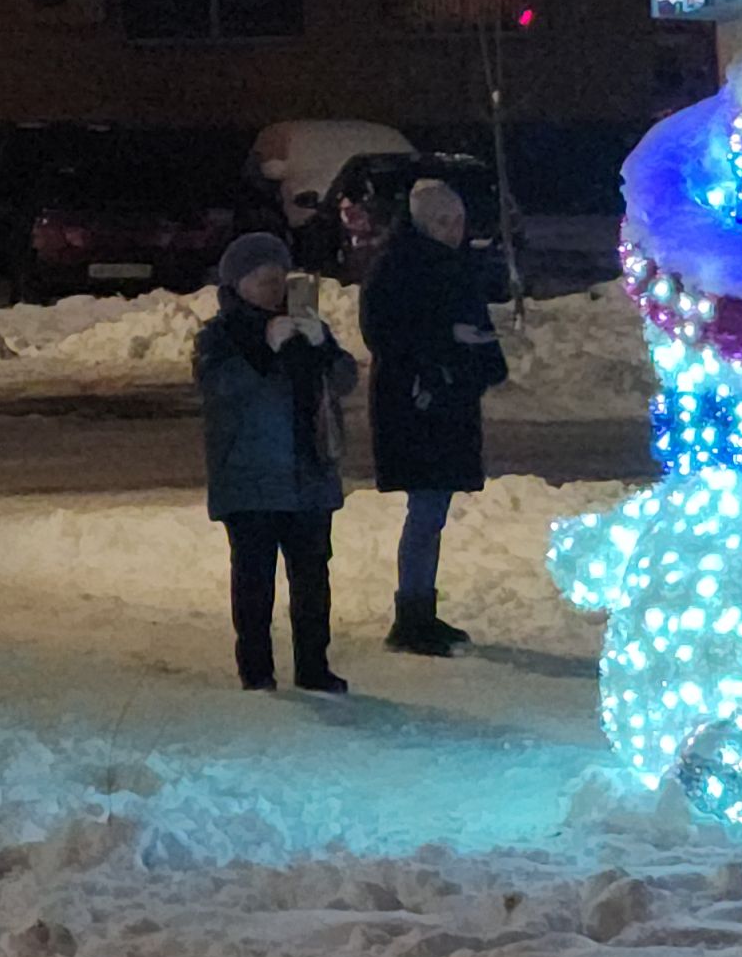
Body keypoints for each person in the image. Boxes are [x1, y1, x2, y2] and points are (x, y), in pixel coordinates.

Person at [195, 232, 358, 694]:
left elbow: (344, 379)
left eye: (278, 279)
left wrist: (322, 345)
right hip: (250, 479)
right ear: (238, 284)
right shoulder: (221, 336)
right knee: (254, 581)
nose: (273, 289)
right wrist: (264, 349)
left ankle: (313, 666)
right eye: (262, 280)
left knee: (312, 579)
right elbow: (218, 390)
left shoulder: (305, 323)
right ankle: (257, 671)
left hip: (308, 475)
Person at [363, 180, 509, 657]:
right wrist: (445, 349)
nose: (453, 231)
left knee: (432, 510)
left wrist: (474, 354)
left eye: (459, 222)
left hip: (442, 400)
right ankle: (412, 616)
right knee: (425, 510)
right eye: (443, 223)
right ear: (424, 224)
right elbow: (386, 334)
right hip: (417, 402)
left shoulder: (451, 265)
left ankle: (420, 610)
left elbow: (472, 326)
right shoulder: (399, 266)